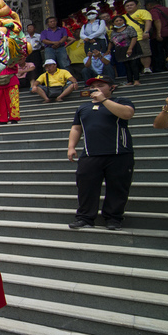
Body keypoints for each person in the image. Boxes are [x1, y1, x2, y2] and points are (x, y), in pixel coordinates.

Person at [67, 75, 136, 230]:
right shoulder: (83, 108)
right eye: (93, 86)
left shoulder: (121, 102)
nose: (96, 88)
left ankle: (113, 218)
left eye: (101, 85)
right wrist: (71, 146)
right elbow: (76, 128)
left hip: (119, 153)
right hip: (91, 154)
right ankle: (85, 217)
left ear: (112, 87)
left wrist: (104, 100)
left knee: (118, 187)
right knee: (86, 187)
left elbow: (127, 114)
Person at [122, 0, 154, 74]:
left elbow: (148, 21)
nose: (129, 7)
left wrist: (146, 31)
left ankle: (146, 68)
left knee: (144, 53)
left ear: (136, 5)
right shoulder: (123, 16)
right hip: (128, 39)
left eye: (131, 5)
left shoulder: (142, 12)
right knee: (132, 56)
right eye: (127, 6)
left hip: (140, 36)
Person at [109, 14, 143, 85]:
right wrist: (108, 50)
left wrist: (130, 48)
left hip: (131, 48)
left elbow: (134, 37)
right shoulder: (113, 32)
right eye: (117, 21)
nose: (119, 22)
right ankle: (129, 81)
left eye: (120, 20)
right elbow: (111, 42)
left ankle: (136, 80)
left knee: (134, 64)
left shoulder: (129, 28)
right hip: (121, 51)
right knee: (127, 66)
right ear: (113, 23)